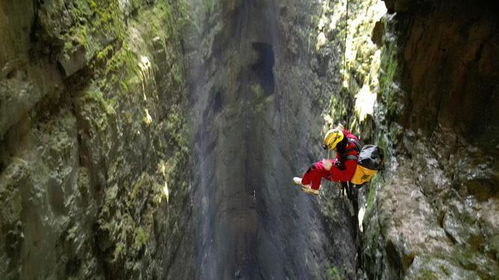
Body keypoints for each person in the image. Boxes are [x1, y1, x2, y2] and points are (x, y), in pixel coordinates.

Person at [293, 126, 360, 195]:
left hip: (338, 171)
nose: (334, 150)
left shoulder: (351, 160)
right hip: (340, 164)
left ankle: (305, 183)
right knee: (317, 168)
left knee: (316, 168)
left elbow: (346, 177)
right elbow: (346, 133)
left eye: (334, 148)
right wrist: (340, 130)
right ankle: (314, 188)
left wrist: (331, 168)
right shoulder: (350, 139)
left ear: (339, 146)